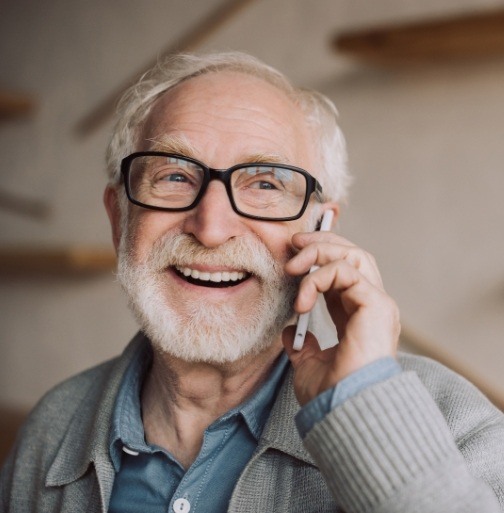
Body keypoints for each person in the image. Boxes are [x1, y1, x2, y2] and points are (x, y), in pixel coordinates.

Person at [1, 51, 503, 513]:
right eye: (174, 176)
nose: (212, 228)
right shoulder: (52, 429)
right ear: (120, 222)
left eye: (265, 184)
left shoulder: (457, 426)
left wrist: (365, 413)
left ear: (321, 231)